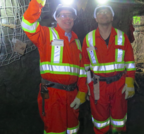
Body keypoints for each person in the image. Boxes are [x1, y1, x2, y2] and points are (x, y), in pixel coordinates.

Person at [21, 0, 87, 133]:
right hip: (50, 92)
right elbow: (28, 24)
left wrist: (82, 92)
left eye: (70, 15)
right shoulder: (46, 34)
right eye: (63, 15)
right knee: (54, 128)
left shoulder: (77, 42)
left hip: (72, 93)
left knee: (72, 128)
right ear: (56, 18)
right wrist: (37, 3)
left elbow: (82, 71)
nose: (67, 18)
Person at [82, 4, 136, 134]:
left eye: (107, 12)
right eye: (100, 12)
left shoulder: (122, 37)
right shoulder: (88, 39)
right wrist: (89, 85)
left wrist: (129, 83)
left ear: (112, 17)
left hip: (119, 85)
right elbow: (85, 67)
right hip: (97, 85)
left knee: (119, 119)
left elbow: (130, 63)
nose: (103, 14)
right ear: (96, 18)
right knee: (100, 122)